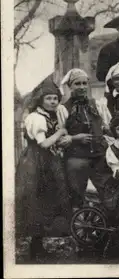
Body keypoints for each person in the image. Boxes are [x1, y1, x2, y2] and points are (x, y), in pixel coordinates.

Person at [15, 82, 72, 260]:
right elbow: (44, 143)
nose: (53, 102)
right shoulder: (36, 118)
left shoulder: (52, 114)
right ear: (40, 100)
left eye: (55, 98)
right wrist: (61, 132)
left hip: (48, 161)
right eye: (48, 98)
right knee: (35, 200)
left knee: (47, 200)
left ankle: (38, 245)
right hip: (35, 162)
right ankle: (34, 247)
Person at [56, 69, 114, 209]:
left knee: (108, 193)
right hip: (77, 159)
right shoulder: (63, 109)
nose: (82, 87)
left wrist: (104, 137)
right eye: (77, 84)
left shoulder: (97, 104)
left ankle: (104, 225)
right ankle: (80, 227)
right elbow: (59, 138)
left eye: (84, 83)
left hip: (99, 157)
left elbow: (108, 128)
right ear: (70, 86)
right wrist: (75, 138)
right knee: (77, 196)